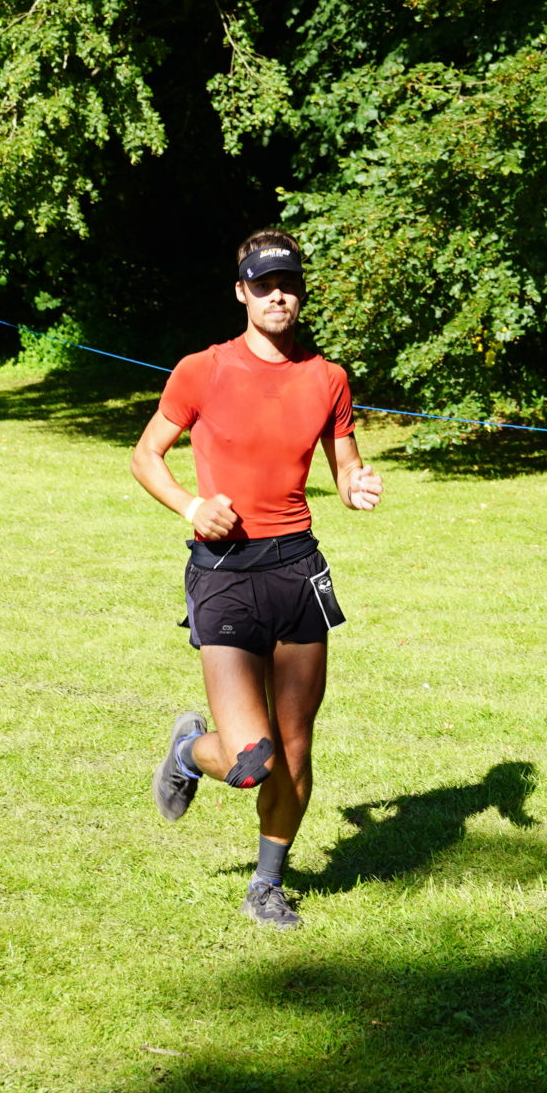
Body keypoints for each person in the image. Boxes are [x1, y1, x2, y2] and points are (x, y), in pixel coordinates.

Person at [129, 230, 384, 930]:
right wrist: (192, 507)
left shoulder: (327, 378)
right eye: (264, 284)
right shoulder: (201, 370)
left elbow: (344, 465)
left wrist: (356, 485)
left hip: (297, 570)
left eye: (288, 284)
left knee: (294, 747)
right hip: (224, 573)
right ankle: (189, 750)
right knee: (251, 758)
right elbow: (146, 455)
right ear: (241, 291)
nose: (278, 295)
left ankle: (267, 884)